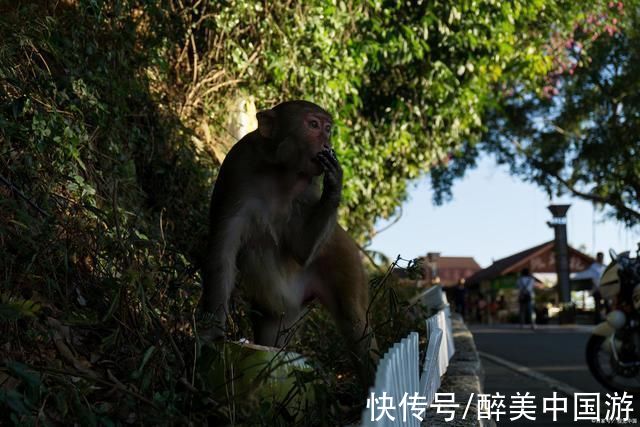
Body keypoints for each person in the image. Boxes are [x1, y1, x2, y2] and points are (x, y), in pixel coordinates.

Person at [572, 252, 606, 323]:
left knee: (606, 305)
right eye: (599, 257)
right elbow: (590, 277)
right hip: (596, 290)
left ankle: (605, 319)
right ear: (597, 258)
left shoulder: (605, 267)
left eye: (601, 257)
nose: (600, 259)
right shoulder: (594, 267)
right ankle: (597, 320)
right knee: (597, 305)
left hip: (605, 289)